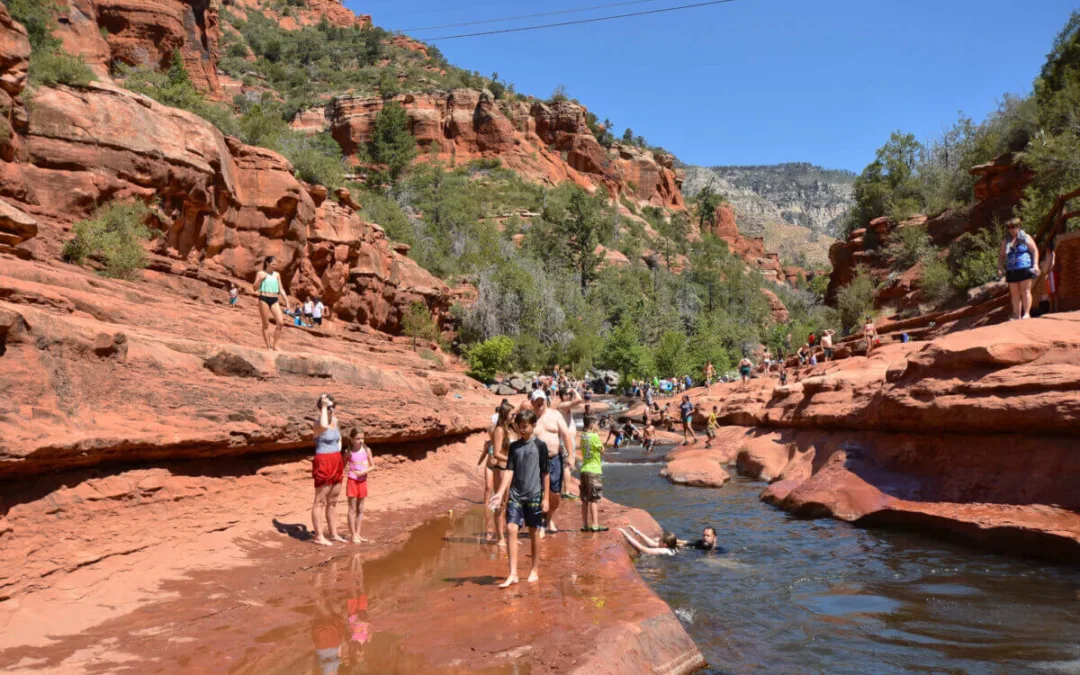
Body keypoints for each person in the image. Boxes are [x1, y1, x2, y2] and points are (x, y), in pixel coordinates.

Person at [489, 409, 550, 588]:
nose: (522, 430)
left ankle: (534, 569)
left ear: (533, 426)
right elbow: (509, 471)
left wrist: (546, 498)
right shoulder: (514, 446)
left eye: (525, 426)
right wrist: (500, 493)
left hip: (534, 494)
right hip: (515, 494)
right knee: (511, 528)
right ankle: (513, 573)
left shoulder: (540, 446)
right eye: (519, 427)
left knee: (534, 531)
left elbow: (545, 473)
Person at [524, 390, 573, 535]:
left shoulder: (555, 414)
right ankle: (541, 523)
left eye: (542, 400)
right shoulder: (529, 418)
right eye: (537, 400)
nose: (540, 403)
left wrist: (570, 456)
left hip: (554, 459)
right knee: (537, 494)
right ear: (532, 402)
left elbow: (566, 435)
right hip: (535, 462)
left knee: (555, 495)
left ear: (546, 400)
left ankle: (548, 516)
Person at [312, 394, 346, 547]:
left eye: (333, 406)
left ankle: (333, 533)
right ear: (321, 408)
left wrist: (337, 452)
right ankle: (319, 536)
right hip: (323, 461)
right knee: (319, 501)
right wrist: (324, 406)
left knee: (333, 500)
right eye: (328, 407)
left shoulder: (335, 421)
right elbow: (325, 426)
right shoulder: (318, 423)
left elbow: (339, 438)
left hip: (336, 460)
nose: (332, 409)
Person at [486, 400, 515, 547]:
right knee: (501, 503)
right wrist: (512, 459)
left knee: (509, 503)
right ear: (505, 415)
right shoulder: (499, 431)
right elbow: (496, 453)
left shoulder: (511, 429)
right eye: (512, 414)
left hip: (510, 469)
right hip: (501, 469)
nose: (514, 416)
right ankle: (500, 538)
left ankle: (506, 535)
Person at [998, 217, 1040, 320]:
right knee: (1014, 293)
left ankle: (1026, 313)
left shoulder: (1025, 237)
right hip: (1011, 269)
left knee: (1025, 291)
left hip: (1024, 266)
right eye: (1009, 227)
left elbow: (1034, 250)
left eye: (1013, 227)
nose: (1011, 229)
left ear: (1018, 226)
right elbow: (1002, 255)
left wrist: (1035, 264)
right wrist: (1000, 267)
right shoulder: (1006, 240)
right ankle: (1017, 315)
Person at [344, 426, 375, 544]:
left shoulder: (367, 450)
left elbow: (373, 466)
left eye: (362, 438)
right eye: (357, 438)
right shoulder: (348, 452)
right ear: (351, 439)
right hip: (352, 481)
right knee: (352, 509)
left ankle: (358, 533)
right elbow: (342, 466)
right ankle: (353, 535)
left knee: (360, 508)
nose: (360, 441)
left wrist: (364, 471)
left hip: (363, 481)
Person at [578, 415, 607, 532]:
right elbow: (602, 451)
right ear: (591, 424)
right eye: (596, 424)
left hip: (584, 468)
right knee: (594, 499)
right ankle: (595, 524)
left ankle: (585, 524)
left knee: (584, 499)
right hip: (594, 470)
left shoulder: (583, 436)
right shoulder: (594, 436)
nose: (597, 426)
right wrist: (598, 435)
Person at [255, 256, 291, 351]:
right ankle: (268, 346)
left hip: (274, 299)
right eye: (273, 264)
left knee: (280, 322)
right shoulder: (261, 273)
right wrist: (260, 280)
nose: (275, 266)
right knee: (265, 324)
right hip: (263, 298)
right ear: (267, 263)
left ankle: (275, 345)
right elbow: (254, 288)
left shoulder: (277, 275)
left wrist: (287, 301)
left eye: (276, 264)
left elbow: (281, 289)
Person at [621, 524, 721, 555]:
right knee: (656, 543)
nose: (705, 538)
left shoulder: (718, 550)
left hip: (683, 555)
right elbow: (683, 542)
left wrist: (625, 533)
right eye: (704, 535)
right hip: (682, 552)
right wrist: (637, 532)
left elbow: (644, 549)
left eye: (708, 536)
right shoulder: (699, 543)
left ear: (714, 538)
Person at [1045, 236, 1059, 314]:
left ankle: (1055, 308)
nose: (1046, 249)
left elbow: (1052, 263)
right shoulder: (1048, 255)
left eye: (1047, 247)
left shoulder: (1052, 254)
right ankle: (1051, 308)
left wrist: (1049, 272)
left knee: (1053, 292)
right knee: (1050, 292)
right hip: (1049, 273)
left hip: (1051, 274)